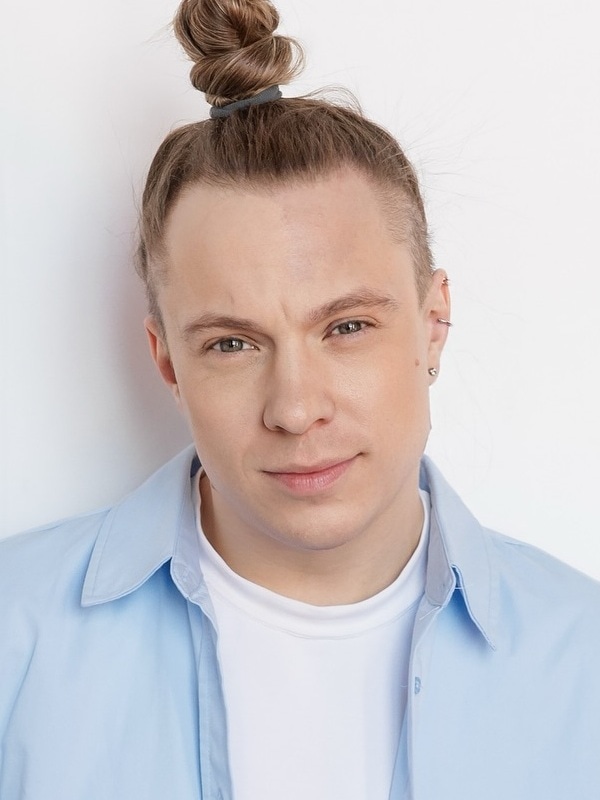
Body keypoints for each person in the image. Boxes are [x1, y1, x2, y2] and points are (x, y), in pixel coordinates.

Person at [1, 0, 599, 797]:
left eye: (346, 327)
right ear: (167, 362)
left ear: (433, 326)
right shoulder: (15, 635)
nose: (294, 408)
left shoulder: (583, 659)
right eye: (232, 344)